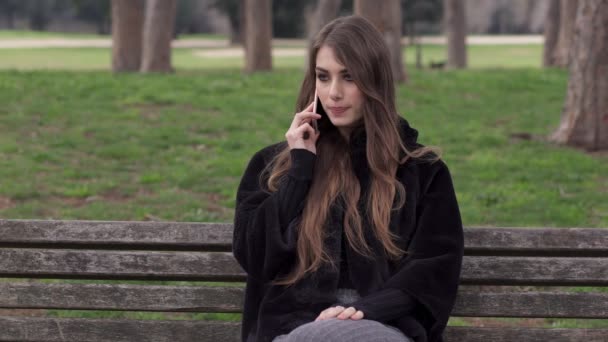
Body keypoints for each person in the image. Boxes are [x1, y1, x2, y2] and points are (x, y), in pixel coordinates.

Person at [232, 15, 464, 342]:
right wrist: (299, 170)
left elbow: (434, 266)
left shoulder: (421, 171)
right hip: (293, 328)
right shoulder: (274, 166)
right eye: (323, 78)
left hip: (384, 326)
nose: (334, 93)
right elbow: (254, 257)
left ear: (374, 82)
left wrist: (365, 311)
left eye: (349, 78)